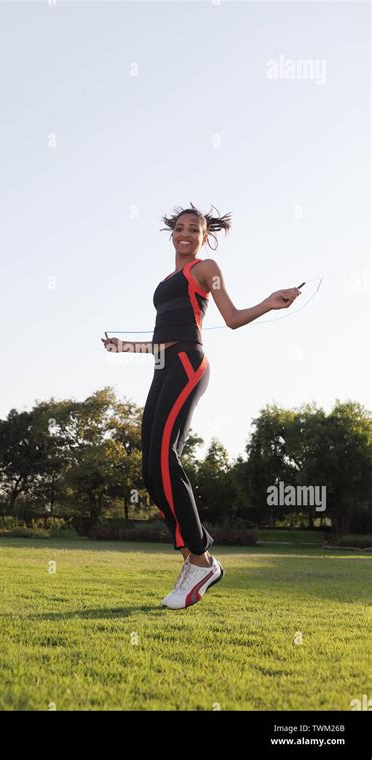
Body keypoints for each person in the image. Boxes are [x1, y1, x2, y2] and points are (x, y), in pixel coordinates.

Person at [101, 202, 301, 609]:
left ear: (206, 237)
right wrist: (124, 347)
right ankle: (196, 559)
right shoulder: (167, 280)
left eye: (195, 228)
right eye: (180, 227)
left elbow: (230, 317)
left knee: (163, 458)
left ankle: (200, 558)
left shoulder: (206, 268)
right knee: (149, 467)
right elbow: (162, 341)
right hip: (163, 366)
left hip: (189, 365)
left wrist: (268, 302)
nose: (186, 233)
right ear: (171, 234)